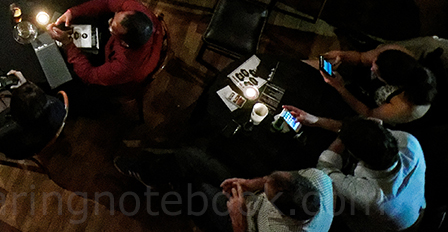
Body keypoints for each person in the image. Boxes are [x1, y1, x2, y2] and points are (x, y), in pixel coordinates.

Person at [114, 147, 333, 232]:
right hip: (249, 200)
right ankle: (151, 173)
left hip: (241, 223)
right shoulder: (318, 178)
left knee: (196, 187)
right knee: (192, 156)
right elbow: (272, 179)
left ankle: (158, 175)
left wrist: (238, 216)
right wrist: (250, 183)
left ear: (282, 214)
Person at [287, 116, 425, 232]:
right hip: (417, 204)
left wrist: (344, 136)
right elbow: (376, 135)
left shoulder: (371, 196)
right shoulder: (409, 142)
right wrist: (318, 121)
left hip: (397, 226)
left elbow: (324, 169)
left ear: (355, 156)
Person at [47, 0, 164, 87]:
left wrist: (68, 44)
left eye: (112, 27)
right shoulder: (135, 9)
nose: (109, 21)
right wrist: (73, 12)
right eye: (117, 14)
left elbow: (88, 75)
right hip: (124, 44)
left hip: (123, 78)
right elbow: (107, 3)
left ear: (124, 43)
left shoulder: (123, 66)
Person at [0, 60, 66, 160]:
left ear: (16, 117)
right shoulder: (56, 106)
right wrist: (25, 84)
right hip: (29, 125)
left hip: (1, 120)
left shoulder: (11, 137)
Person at [316, 45, 437, 125]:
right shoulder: (395, 53)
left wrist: (340, 89)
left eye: (376, 71)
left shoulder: (402, 107)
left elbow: (368, 113)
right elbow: (362, 58)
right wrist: (342, 55)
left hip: (369, 106)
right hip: (363, 83)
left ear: (389, 81)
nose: (371, 68)